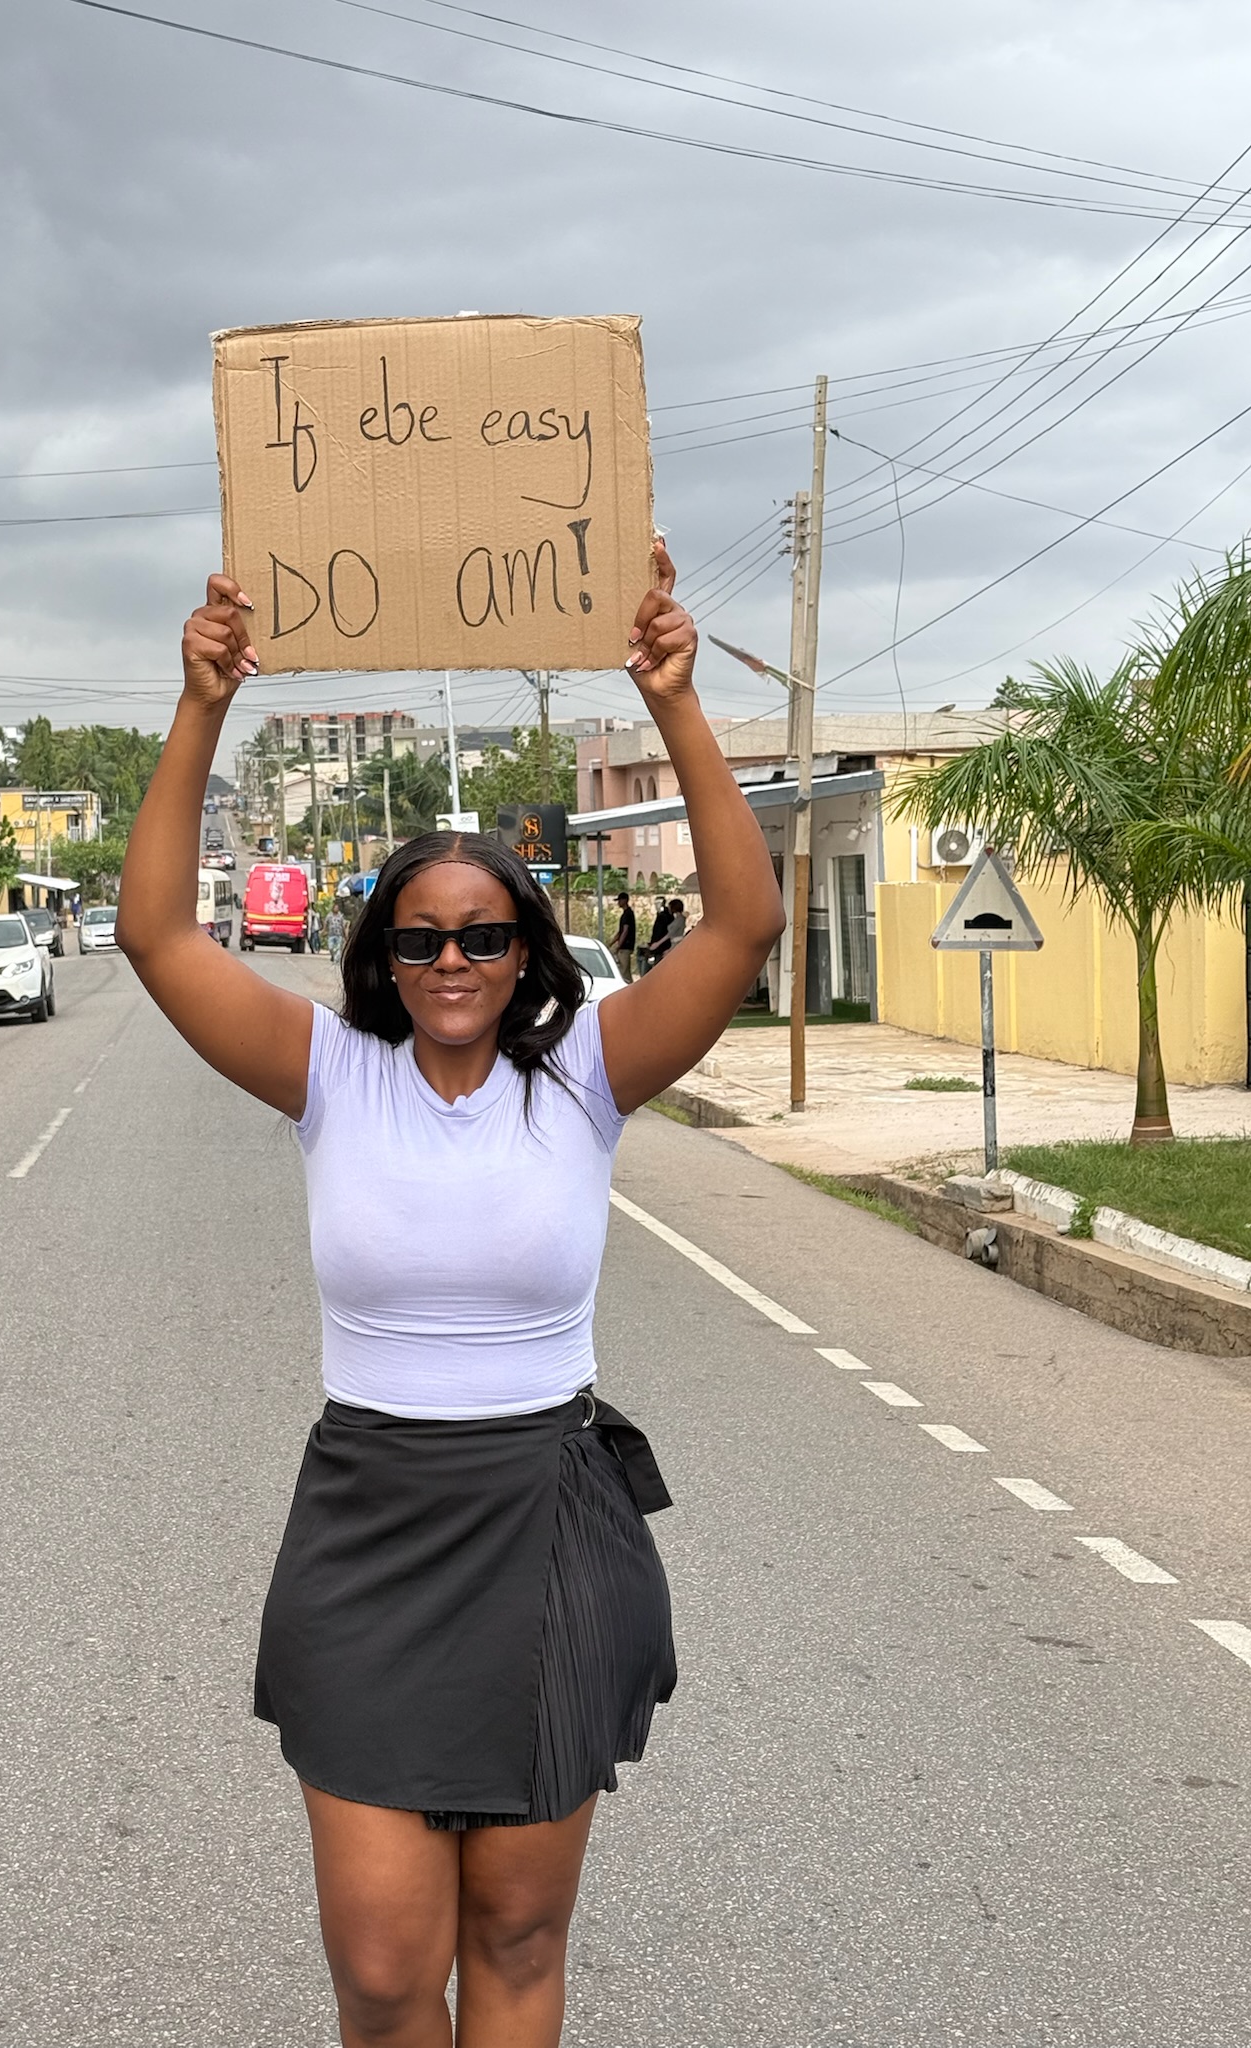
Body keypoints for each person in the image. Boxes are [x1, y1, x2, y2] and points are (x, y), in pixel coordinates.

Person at [116, 542, 784, 2048]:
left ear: (528, 951)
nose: (453, 959)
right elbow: (156, 935)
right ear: (383, 957)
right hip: (370, 1519)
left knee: (520, 1934)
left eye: (486, 933)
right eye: (420, 938)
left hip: (544, 1514)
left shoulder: (589, 1076)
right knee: (377, 1966)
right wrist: (198, 705)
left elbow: (741, 929)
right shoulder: (331, 1077)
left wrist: (674, 700)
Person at [611, 890, 636, 980]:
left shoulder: (628, 914)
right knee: (624, 970)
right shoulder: (626, 914)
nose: (618, 902)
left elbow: (625, 931)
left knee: (624, 971)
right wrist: (611, 943)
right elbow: (620, 932)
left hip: (625, 946)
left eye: (620, 900)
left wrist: (619, 944)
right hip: (624, 946)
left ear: (625, 900)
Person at [644, 898, 673, 970]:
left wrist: (654, 944)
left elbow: (659, 932)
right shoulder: (665, 915)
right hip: (661, 945)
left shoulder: (663, 916)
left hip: (662, 947)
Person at [323, 902, 346, 967]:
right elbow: (325, 922)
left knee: (338, 948)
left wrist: (345, 934)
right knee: (331, 947)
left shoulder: (341, 916)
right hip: (331, 934)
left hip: (339, 934)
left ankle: (336, 960)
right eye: (335, 908)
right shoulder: (329, 915)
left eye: (337, 908)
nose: (336, 909)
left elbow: (343, 925)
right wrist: (324, 930)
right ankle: (333, 956)